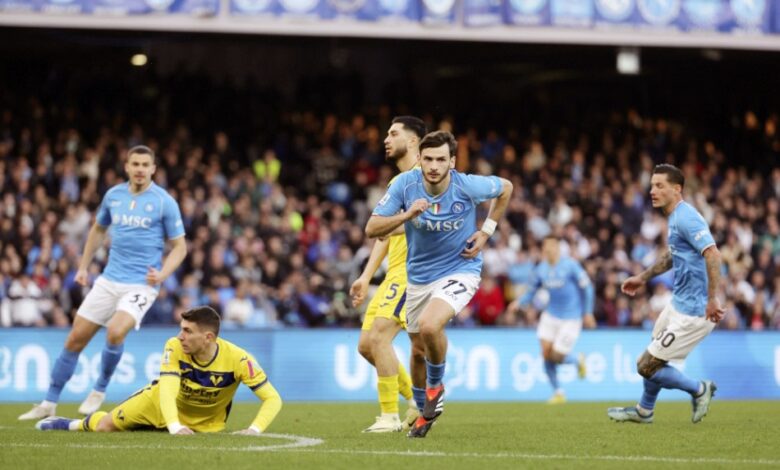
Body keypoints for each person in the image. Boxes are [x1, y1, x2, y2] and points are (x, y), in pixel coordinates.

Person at [19, 146, 188, 420]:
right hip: (109, 279)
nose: (140, 169)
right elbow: (98, 230)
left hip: (141, 284)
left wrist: (163, 274)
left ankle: (99, 388)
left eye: (146, 164)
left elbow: (180, 247)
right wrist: (83, 267)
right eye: (135, 163)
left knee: (115, 332)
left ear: (154, 169)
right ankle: (48, 402)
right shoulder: (113, 195)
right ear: (127, 166)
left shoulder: (163, 202)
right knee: (75, 339)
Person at [366, 130, 513, 438]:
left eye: (441, 159)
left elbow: (506, 188)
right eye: (428, 159)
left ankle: (436, 388)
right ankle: (422, 412)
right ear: (419, 159)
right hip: (418, 277)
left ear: (452, 162)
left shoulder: (467, 184)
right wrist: (408, 214)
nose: (434, 166)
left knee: (431, 326)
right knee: (418, 350)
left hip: (461, 268)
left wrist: (486, 231)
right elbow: (371, 228)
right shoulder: (405, 185)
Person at [35, 306, 282, 434]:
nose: (179, 336)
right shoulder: (174, 347)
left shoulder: (239, 360)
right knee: (105, 426)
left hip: (205, 424)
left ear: (207, 337)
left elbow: (272, 399)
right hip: (157, 404)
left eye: (187, 331)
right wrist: (174, 426)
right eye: (180, 328)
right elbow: (168, 390)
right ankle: (72, 424)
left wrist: (254, 429)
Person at [608, 164, 723, 424]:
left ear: (676, 189)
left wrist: (713, 298)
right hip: (677, 304)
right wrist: (642, 277)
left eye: (659, 185)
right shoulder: (674, 218)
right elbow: (673, 256)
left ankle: (699, 389)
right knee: (651, 360)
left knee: (645, 365)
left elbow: (713, 253)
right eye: (651, 185)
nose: (652, 191)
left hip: (695, 311)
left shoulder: (687, 217)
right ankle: (644, 411)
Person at [350, 116, 426, 433]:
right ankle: (416, 401)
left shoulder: (424, 178)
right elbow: (384, 232)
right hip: (392, 272)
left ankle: (389, 417)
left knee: (380, 336)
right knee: (367, 345)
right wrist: (367, 276)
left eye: (393, 134)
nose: (385, 138)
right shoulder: (400, 183)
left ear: (412, 141)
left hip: (412, 272)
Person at [514, 236, 595, 404]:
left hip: (571, 318)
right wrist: (519, 302)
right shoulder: (541, 269)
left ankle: (577, 360)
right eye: (545, 247)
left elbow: (588, 288)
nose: (547, 249)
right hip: (550, 315)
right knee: (546, 354)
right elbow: (531, 290)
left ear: (558, 247)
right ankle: (558, 392)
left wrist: (588, 312)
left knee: (557, 356)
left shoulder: (570, 265)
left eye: (551, 246)